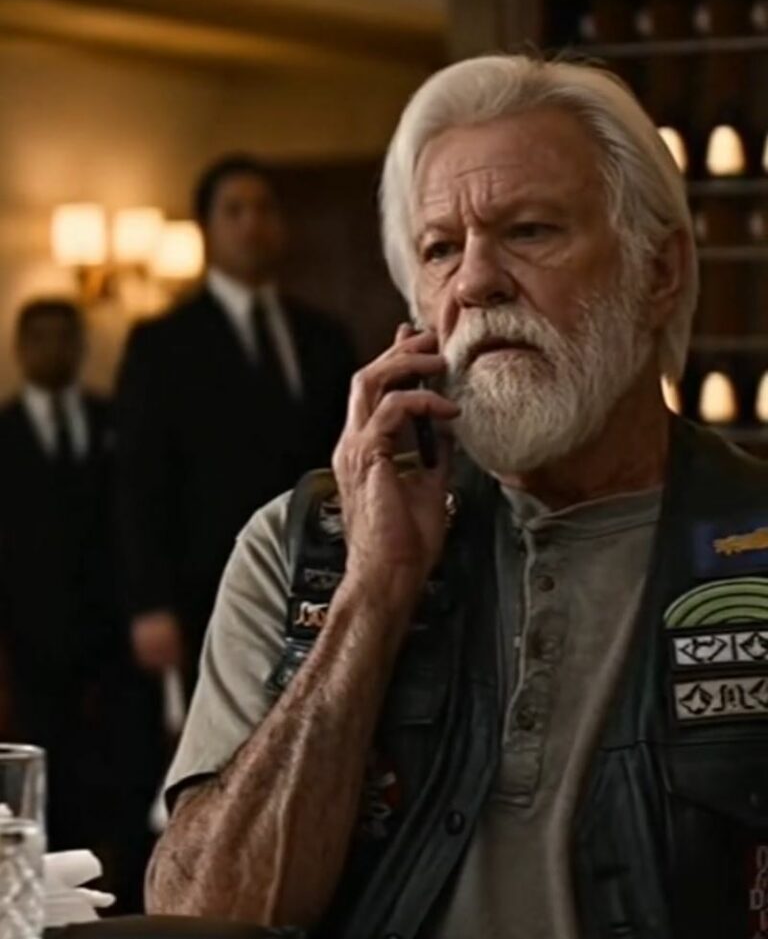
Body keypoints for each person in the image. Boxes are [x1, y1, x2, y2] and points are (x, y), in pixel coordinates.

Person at [145, 55, 768, 939]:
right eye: (440, 249)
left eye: (531, 231)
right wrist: (374, 592)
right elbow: (203, 916)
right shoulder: (294, 547)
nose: (476, 281)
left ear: (658, 272)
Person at [115, 154, 356, 682]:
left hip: (318, 575)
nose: (252, 223)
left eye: (264, 209)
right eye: (235, 210)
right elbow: (139, 477)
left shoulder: (324, 336)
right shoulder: (161, 343)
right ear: (206, 227)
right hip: (207, 582)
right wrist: (150, 602)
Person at [0, 299, 119, 850]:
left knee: (114, 779)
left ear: (81, 345)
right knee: (41, 782)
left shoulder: (114, 420)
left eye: (64, 337)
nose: (53, 349)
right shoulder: (4, 433)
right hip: (27, 641)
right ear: (20, 349)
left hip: (113, 640)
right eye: (39, 338)